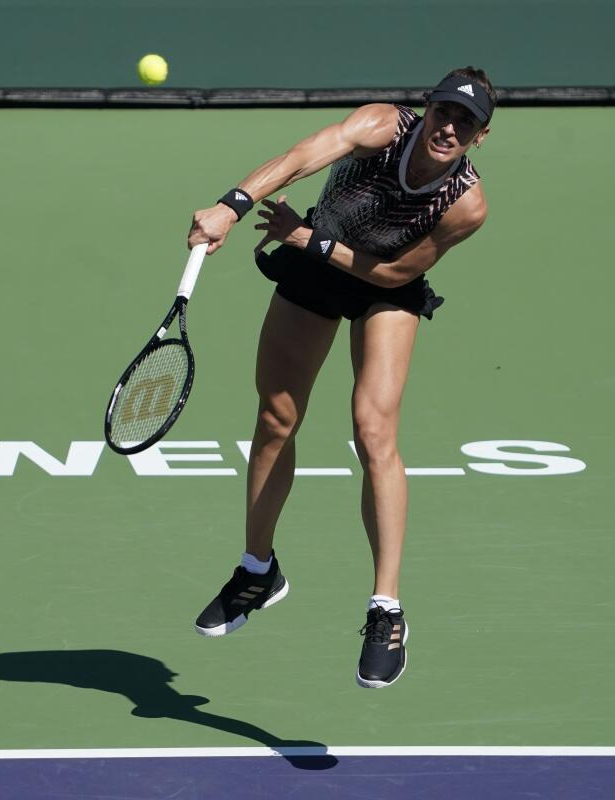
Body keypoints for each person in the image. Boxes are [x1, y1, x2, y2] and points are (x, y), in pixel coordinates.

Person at [187, 67, 494, 688]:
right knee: (275, 417)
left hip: (385, 286)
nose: (450, 127)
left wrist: (307, 238)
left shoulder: (466, 205)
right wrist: (231, 205)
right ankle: (257, 570)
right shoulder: (381, 126)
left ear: (479, 137)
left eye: (466, 122)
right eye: (444, 112)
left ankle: (386, 610)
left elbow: (392, 273)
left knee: (374, 430)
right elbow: (303, 158)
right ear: (426, 109)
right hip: (316, 259)